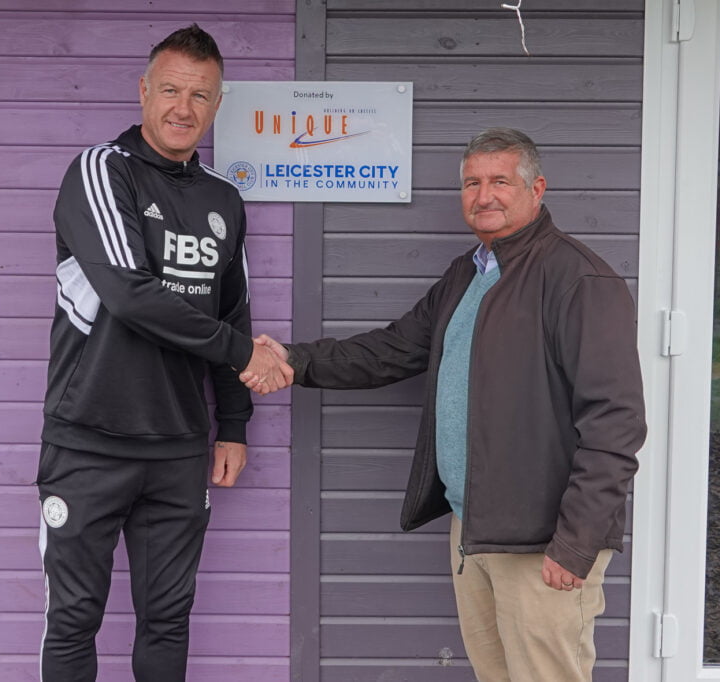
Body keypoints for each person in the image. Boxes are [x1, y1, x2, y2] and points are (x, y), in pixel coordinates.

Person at [244, 128, 646, 682]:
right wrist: (292, 359)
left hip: (543, 541)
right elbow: (389, 350)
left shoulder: (579, 279)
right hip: (475, 527)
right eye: (472, 183)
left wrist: (575, 543)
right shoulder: (468, 273)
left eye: (501, 181)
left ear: (537, 188)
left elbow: (616, 423)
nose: (485, 196)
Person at [37, 24, 291, 682]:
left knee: (168, 620)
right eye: (171, 89)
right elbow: (130, 295)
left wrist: (233, 424)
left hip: (179, 446)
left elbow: (231, 308)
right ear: (144, 91)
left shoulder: (222, 200)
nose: (184, 108)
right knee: (74, 619)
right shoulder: (101, 172)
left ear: (217, 105)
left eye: (200, 95)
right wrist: (242, 355)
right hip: (89, 441)